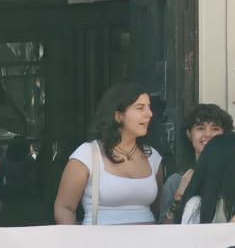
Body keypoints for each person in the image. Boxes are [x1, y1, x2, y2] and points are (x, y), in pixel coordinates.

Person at [54, 84, 161, 225]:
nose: (149, 114)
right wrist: (79, 243)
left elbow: (157, 208)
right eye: (140, 108)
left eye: (149, 107)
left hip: (147, 244)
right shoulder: (87, 154)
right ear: (118, 116)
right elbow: (64, 208)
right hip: (99, 244)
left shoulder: (152, 156)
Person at [157, 103, 234, 223]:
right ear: (189, 134)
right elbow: (163, 231)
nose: (208, 134)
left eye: (215, 129)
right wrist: (179, 196)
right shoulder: (176, 181)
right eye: (200, 128)